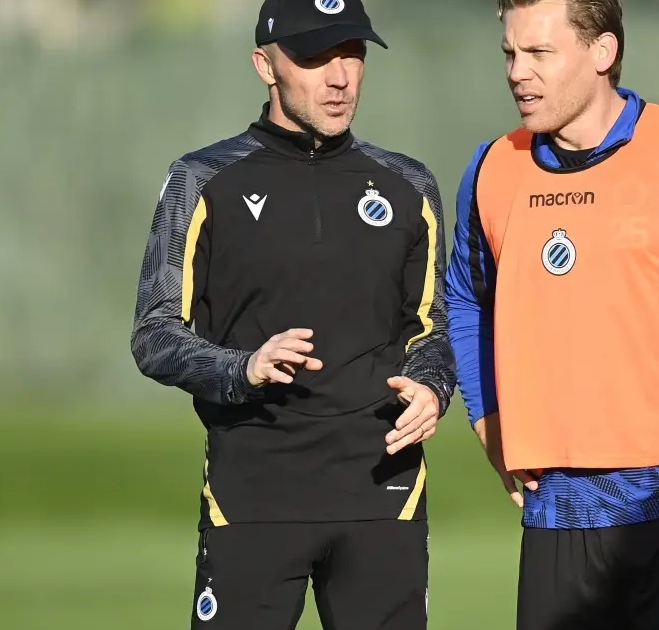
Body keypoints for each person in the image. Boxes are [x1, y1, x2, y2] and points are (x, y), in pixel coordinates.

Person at [444, 1, 659, 628]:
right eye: (510, 54)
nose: (518, 72)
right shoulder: (493, 167)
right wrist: (486, 416)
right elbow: (466, 299)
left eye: (540, 53)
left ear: (601, 52)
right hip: (558, 513)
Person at [129, 0, 456, 628]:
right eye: (313, 57)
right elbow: (154, 333)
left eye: (352, 54)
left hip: (381, 490)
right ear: (265, 65)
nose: (339, 77)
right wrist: (242, 367)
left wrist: (433, 387)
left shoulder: (409, 185)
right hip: (253, 493)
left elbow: (432, 329)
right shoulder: (202, 180)